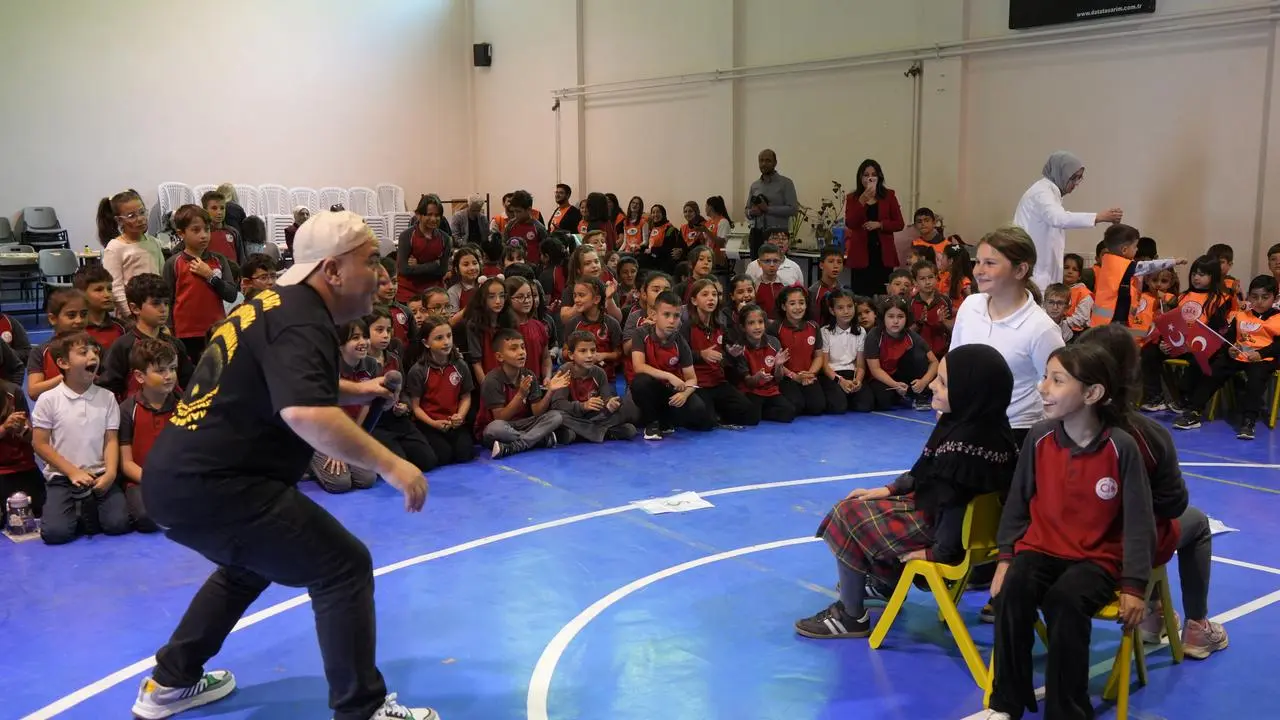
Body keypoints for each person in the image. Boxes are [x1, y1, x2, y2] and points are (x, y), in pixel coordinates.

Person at [132, 211, 435, 720]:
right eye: (369, 261)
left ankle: (170, 682)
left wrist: (356, 389)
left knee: (247, 568)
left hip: (178, 481)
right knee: (343, 566)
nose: (382, 274)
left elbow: (285, 380)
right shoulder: (302, 318)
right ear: (332, 270)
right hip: (221, 484)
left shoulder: (273, 304)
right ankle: (361, 710)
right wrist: (392, 465)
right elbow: (304, 412)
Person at [795, 344, 1018, 639]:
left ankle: (850, 615)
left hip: (939, 532)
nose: (933, 386)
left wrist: (935, 553)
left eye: (943, 383)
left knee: (847, 513)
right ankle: (884, 583)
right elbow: (925, 474)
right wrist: (888, 489)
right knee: (872, 503)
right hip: (959, 529)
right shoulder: (991, 427)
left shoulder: (962, 450)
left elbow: (953, 508)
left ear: (970, 393)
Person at [986, 343, 1154, 720]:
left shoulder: (1121, 447)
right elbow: (1017, 503)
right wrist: (1005, 558)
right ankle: (1006, 702)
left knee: (1065, 602)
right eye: (1045, 377)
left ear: (1092, 393)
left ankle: (1067, 711)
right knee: (1012, 593)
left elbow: (1139, 522)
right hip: (1039, 549)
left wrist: (1134, 586)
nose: (1043, 387)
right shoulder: (1039, 437)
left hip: (1096, 560)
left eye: (1057, 380)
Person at [949, 227, 1065, 444]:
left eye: (990, 263)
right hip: (964, 423)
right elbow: (953, 363)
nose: (978, 270)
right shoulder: (970, 306)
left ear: (1020, 270)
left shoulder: (1041, 329)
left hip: (1014, 433)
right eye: (977, 262)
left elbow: (1060, 388)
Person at [32, 332, 131, 545]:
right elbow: (39, 444)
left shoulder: (107, 397)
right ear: (63, 363)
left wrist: (111, 473)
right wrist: (72, 471)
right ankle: (80, 510)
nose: (93, 356)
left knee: (119, 524)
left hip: (99, 474)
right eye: (83, 352)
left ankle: (85, 509)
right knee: (56, 534)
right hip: (62, 477)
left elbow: (111, 440)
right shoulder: (48, 399)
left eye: (95, 351)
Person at [1012, 151, 1123, 289]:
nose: (1076, 183)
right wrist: (1098, 217)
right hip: (1035, 273)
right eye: (1074, 178)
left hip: (1042, 272)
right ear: (1060, 173)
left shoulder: (1051, 193)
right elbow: (1059, 218)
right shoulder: (1042, 192)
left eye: (1079, 178)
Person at [97, 273, 194, 401]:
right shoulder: (123, 346)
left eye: (166, 303)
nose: (163, 309)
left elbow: (189, 383)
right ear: (135, 308)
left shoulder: (175, 345)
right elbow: (108, 388)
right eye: (156, 304)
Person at [475, 328, 568, 458]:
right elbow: (500, 418)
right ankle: (538, 439)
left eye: (523, 347)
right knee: (494, 428)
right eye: (513, 349)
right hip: (501, 427)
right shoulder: (492, 380)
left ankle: (515, 446)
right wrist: (520, 395)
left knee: (556, 416)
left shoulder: (529, 375)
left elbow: (537, 412)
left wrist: (550, 392)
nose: (521, 352)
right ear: (499, 357)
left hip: (524, 424)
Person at [163, 204, 239, 364]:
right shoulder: (173, 263)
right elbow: (167, 300)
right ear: (181, 233)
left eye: (207, 229)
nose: (204, 235)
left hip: (215, 330)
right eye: (196, 230)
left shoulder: (219, 260)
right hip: (184, 334)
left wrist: (211, 276)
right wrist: (169, 329)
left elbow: (231, 295)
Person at [117, 338, 179, 533]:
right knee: (146, 518)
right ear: (139, 376)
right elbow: (126, 463)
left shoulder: (185, 405)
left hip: (179, 478)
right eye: (160, 371)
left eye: (173, 369)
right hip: (141, 481)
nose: (169, 376)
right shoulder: (127, 409)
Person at [406, 315, 476, 467]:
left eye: (449, 336)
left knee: (465, 454)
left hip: (454, 423)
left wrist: (460, 416)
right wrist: (433, 423)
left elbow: (466, 396)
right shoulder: (418, 371)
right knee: (443, 455)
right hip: (429, 424)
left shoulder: (460, 365)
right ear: (426, 343)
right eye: (439, 338)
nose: (446, 342)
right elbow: (415, 407)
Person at [97, 189, 166, 318]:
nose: (140, 219)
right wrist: (130, 315)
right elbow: (116, 287)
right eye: (131, 216)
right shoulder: (115, 247)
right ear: (119, 220)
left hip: (154, 311)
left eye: (142, 212)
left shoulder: (154, 242)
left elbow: (162, 276)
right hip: (131, 315)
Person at [844, 159, 906, 297]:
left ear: (879, 177)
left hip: (882, 254)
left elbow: (899, 223)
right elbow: (851, 223)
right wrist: (861, 201)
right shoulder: (853, 198)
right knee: (861, 295)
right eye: (866, 175)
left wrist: (880, 224)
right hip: (861, 253)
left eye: (873, 175)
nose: (870, 178)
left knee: (882, 294)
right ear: (860, 178)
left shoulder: (889, 196)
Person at [397, 194, 453, 302]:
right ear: (418, 215)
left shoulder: (445, 239)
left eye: (437, 215)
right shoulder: (406, 236)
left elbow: (442, 271)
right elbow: (404, 270)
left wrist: (417, 266)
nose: (433, 219)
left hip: (434, 290)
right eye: (429, 214)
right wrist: (434, 264)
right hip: (408, 291)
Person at [745, 149, 798, 259]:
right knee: (756, 266)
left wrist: (768, 209)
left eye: (768, 160)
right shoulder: (755, 185)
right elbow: (747, 210)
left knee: (777, 265)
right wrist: (751, 212)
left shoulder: (786, 183)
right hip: (756, 233)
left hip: (777, 235)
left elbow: (793, 209)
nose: (764, 164)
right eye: (761, 160)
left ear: (775, 163)